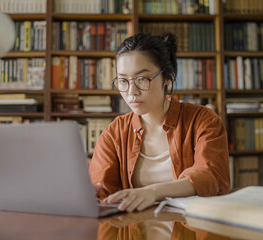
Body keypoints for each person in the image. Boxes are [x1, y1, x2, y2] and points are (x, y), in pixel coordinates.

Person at [89, 33, 230, 213]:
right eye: (123, 81)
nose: (132, 92)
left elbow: (211, 176)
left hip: (189, 229)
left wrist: (152, 192)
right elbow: (103, 192)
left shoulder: (203, 120)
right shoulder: (114, 133)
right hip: (134, 230)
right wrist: (91, 194)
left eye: (142, 79)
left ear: (168, 78)